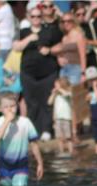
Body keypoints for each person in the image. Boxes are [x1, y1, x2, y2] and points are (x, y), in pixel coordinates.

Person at [15, 6, 62, 141]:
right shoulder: (23, 32)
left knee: (46, 102)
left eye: (38, 16)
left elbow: (60, 45)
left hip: (47, 72)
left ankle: (47, 130)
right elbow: (16, 47)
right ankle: (34, 130)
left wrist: (50, 50)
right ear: (29, 18)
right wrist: (29, 39)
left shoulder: (50, 31)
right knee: (31, 103)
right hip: (28, 73)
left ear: (42, 18)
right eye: (33, 16)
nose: (36, 19)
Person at [0, 93, 44, 186]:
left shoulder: (25, 122)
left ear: (17, 106)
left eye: (12, 106)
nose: (10, 109)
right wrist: (7, 121)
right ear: (0, 109)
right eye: (6, 107)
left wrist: (40, 164)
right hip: (4, 167)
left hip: (21, 166)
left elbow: (34, 144)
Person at [48, 76, 74, 154]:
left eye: (56, 85)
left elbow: (66, 95)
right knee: (59, 137)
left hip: (66, 118)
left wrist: (59, 89)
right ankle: (61, 151)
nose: (55, 87)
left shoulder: (68, 93)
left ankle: (71, 151)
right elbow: (49, 102)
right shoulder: (56, 95)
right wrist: (53, 94)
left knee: (68, 137)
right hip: (58, 119)